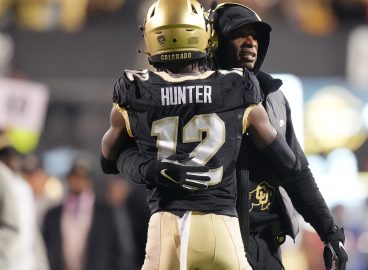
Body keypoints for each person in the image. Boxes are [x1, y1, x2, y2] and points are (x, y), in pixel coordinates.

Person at [113, 2, 348, 270]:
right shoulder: (180, 92)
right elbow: (122, 155)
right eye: (239, 34)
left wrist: (328, 230)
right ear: (215, 40)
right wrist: (150, 168)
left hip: (263, 242)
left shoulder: (272, 97)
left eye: (256, 36)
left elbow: (297, 173)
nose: (250, 43)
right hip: (210, 233)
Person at [42, 158, 120, 270]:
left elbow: (118, 248)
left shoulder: (105, 212)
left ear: (90, 181)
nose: (78, 182)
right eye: (74, 177)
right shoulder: (53, 214)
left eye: (83, 178)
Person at [0, 132, 49, 270]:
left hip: (26, 264)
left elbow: (31, 229)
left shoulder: (23, 187)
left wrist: (42, 264)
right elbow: (10, 226)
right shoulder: (4, 180)